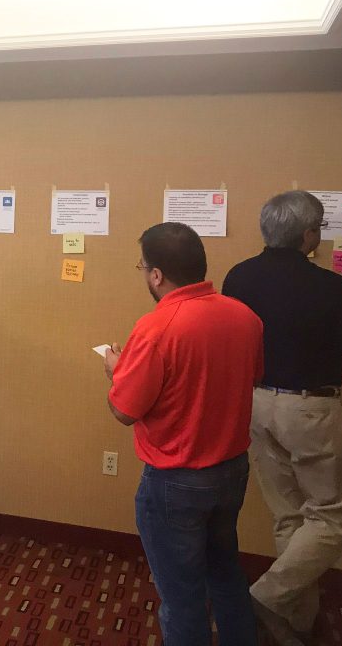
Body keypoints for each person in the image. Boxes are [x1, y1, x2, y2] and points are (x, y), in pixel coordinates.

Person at [223, 191, 342, 646]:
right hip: (309, 410)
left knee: (289, 514)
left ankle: (297, 620)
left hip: (255, 404)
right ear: (308, 234)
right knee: (337, 515)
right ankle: (266, 597)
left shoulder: (238, 277)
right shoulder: (330, 286)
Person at [101, 222, 263, 646]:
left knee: (182, 595)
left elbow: (123, 411)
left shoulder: (156, 328)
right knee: (226, 573)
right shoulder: (244, 316)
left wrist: (117, 371)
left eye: (143, 268)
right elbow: (250, 377)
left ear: (156, 274)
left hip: (176, 480)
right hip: (232, 470)